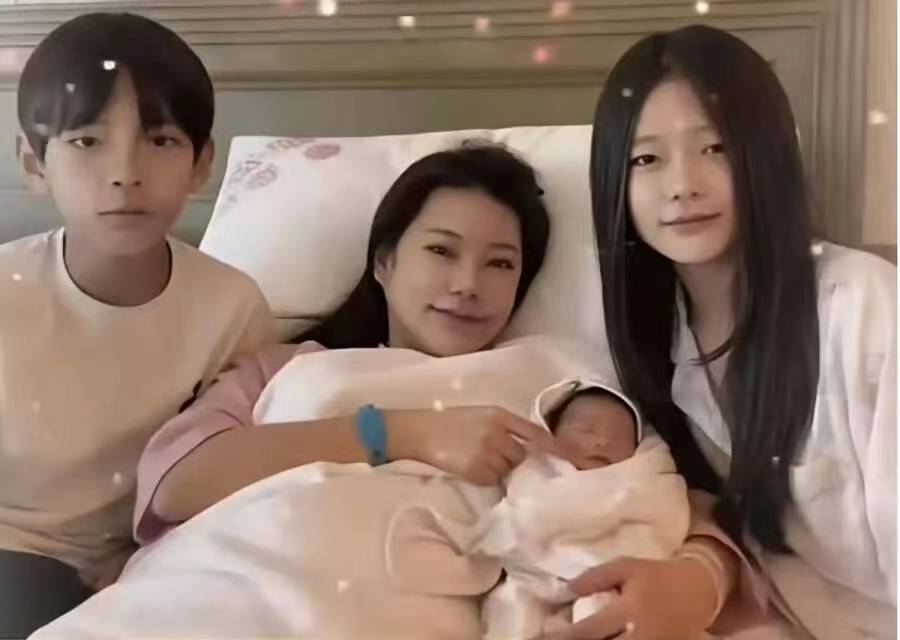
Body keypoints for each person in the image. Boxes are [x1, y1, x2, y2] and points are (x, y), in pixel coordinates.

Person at [33, 144, 602, 639]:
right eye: (441, 251)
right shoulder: (291, 367)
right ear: (384, 263)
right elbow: (175, 485)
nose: (467, 284)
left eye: (500, 263)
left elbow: (616, 505)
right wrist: (401, 433)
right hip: (217, 598)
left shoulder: (553, 386)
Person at [553, 24, 896, 640]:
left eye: (714, 147)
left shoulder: (862, 308)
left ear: (764, 155)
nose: (682, 184)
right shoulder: (647, 353)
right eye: (646, 159)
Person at [0, 13, 273, 637]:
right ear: (34, 163)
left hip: (150, 566)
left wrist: (150, 552)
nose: (126, 172)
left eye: (161, 139)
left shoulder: (231, 307)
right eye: (86, 142)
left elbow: (231, 462)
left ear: (202, 164)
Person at [475, 381, 690, 640]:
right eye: (586, 430)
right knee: (513, 608)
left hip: (608, 577)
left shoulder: (640, 481)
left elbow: (665, 518)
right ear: (550, 432)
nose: (602, 442)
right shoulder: (534, 469)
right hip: (536, 579)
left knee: (599, 611)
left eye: (618, 437)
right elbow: (519, 510)